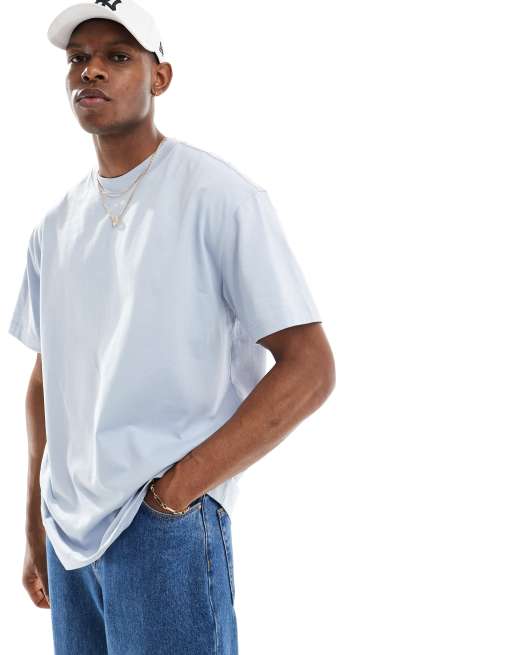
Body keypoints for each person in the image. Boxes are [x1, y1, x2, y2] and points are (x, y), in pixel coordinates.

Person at [8, 1, 336, 653]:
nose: (91, 71)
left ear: (160, 77)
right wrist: (33, 523)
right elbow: (46, 379)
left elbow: (310, 367)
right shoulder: (54, 227)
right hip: (69, 535)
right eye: (78, 59)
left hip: (161, 526)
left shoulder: (218, 197)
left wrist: (178, 492)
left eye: (117, 56)